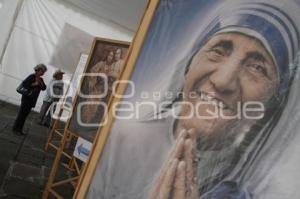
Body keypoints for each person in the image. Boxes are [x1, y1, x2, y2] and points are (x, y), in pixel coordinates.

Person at [87, 1, 300, 198]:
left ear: (272, 106)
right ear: (188, 66)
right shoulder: (122, 142)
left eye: (257, 67)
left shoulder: (259, 192)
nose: (223, 80)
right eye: (218, 50)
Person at [13, 64, 47, 135]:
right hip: (26, 98)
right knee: (21, 115)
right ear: (38, 70)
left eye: (44, 71)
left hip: (32, 99)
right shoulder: (32, 76)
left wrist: (40, 83)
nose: (43, 73)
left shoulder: (41, 79)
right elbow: (25, 84)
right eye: (43, 71)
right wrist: (34, 84)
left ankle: (19, 129)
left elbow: (44, 88)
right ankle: (16, 129)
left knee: (25, 115)